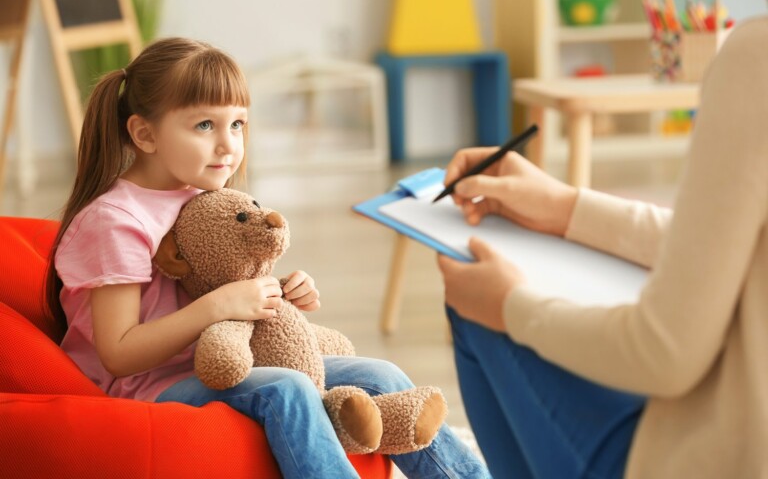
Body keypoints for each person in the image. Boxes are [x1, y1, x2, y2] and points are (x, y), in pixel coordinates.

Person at [45, 37, 488, 479]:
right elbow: (119, 354)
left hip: (225, 362)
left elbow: (221, 280)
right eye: (204, 126)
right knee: (287, 386)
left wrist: (281, 291)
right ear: (144, 133)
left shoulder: (201, 195)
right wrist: (220, 307)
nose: (228, 145)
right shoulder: (116, 221)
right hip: (149, 388)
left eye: (237, 124)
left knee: (381, 374)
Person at [437, 3, 768, 479]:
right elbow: (728, 241)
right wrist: (568, 209)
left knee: (473, 305)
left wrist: (512, 306)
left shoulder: (755, 57)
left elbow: (665, 352)